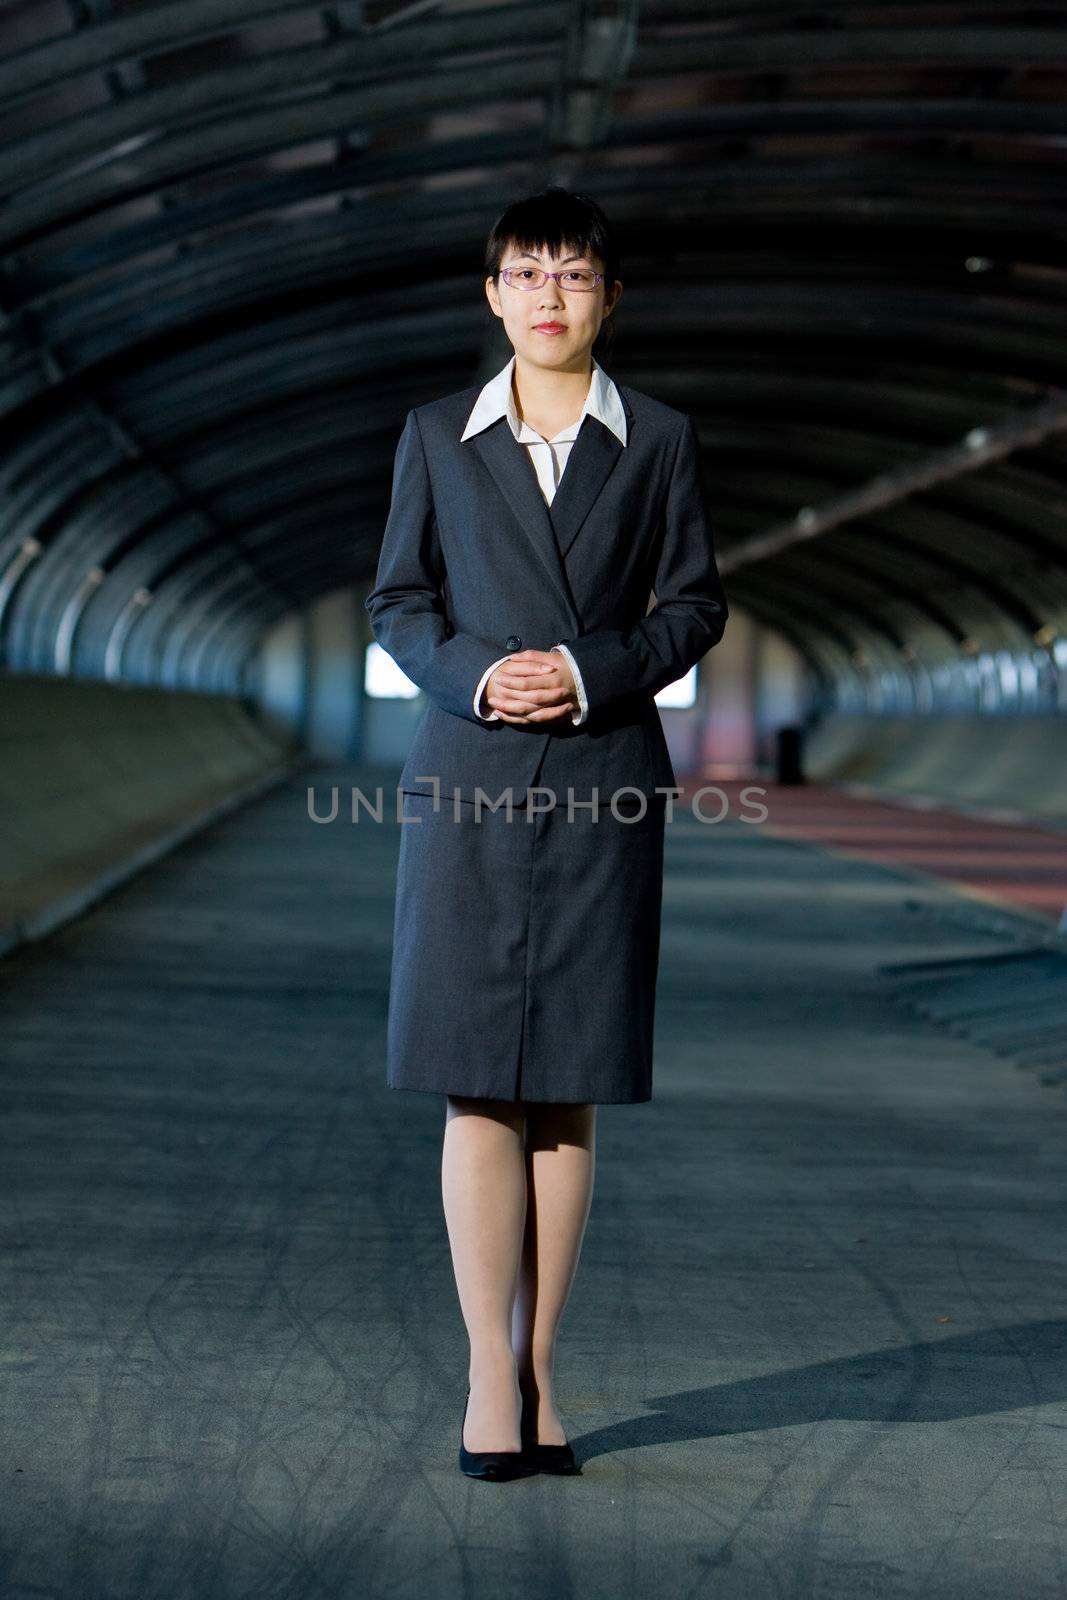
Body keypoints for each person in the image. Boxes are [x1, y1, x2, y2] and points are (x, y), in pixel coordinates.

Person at [364, 187, 728, 1481]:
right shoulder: (434, 438)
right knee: (476, 1075)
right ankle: (482, 1371)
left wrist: (582, 670)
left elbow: (693, 607)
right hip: (466, 770)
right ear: (494, 296)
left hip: (603, 775)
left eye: (574, 276)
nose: (550, 296)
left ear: (609, 300)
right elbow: (398, 601)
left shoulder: (663, 442)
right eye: (527, 274)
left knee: (567, 1084)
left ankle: (538, 1364)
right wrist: (478, 675)